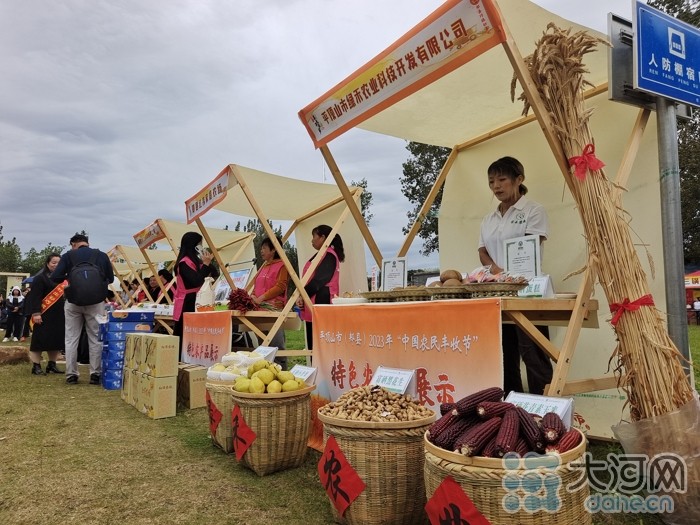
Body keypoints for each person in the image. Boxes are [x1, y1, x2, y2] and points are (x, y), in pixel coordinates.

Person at [478, 156, 553, 396]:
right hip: (497, 293)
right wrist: (498, 274)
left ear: (519, 179)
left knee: (533, 353)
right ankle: (513, 408)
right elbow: (482, 251)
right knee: (505, 353)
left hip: (527, 292)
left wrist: (505, 274)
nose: (496, 186)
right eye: (491, 182)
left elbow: (530, 245)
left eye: (502, 179)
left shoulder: (533, 210)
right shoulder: (488, 219)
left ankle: (544, 410)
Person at [51, 234, 114, 385]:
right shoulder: (101, 255)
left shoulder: (68, 256)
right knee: (95, 337)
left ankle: (71, 374)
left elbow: (55, 277)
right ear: (87, 243)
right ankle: (95, 374)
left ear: (73, 244)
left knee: (71, 337)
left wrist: (71, 277)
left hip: (73, 302)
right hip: (96, 302)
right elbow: (110, 279)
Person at [296, 225, 344, 350]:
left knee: (320, 345)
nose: (312, 240)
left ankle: (321, 369)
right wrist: (302, 297)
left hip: (321, 302)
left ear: (323, 237)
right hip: (311, 301)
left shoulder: (329, 256)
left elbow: (318, 281)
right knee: (313, 344)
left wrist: (303, 295)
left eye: (314, 237)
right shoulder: (320, 255)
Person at [172, 232, 219, 358]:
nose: (201, 246)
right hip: (187, 302)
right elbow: (195, 281)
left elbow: (215, 273)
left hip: (198, 301)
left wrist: (207, 262)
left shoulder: (197, 261)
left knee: (195, 335)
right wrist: (206, 265)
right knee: (183, 335)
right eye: (199, 244)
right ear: (193, 245)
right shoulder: (183, 263)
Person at [251, 237, 289, 368]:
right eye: (261, 248)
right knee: (263, 345)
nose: (261, 251)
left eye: (264, 248)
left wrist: (261, 298)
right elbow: (256, 287)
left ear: (273, 250)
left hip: (273, 310)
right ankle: (266, 372)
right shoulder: (263, 267)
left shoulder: (282, 265)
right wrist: (252, 296)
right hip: (259, 311)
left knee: (277, 344)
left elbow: (280, 286)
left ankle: (281, 371)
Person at [26, 253, 65, 375]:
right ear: (47, 263)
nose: (56, 265)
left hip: (58, 314)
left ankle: (51, 365)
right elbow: (35, 296)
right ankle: (36, 366)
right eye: (53, 262)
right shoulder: (40, 277)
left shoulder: (63, 278)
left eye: (59, 262)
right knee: (39, 341)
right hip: (43, 313)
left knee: (55, 340)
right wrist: (36, 313)